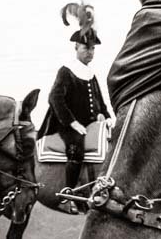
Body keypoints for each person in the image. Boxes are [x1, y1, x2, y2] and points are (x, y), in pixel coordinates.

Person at [38, 23, 110, 213]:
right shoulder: (66, 71)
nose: (90, 52)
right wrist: (72, 122)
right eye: (87, 47)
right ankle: (67, 194)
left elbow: (99, 100)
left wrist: (106, 115)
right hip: (66, 124)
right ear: (76, 47)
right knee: (76, 149)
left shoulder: (91, 73)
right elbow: (55, 98)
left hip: (90, 124)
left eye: (93, 48)